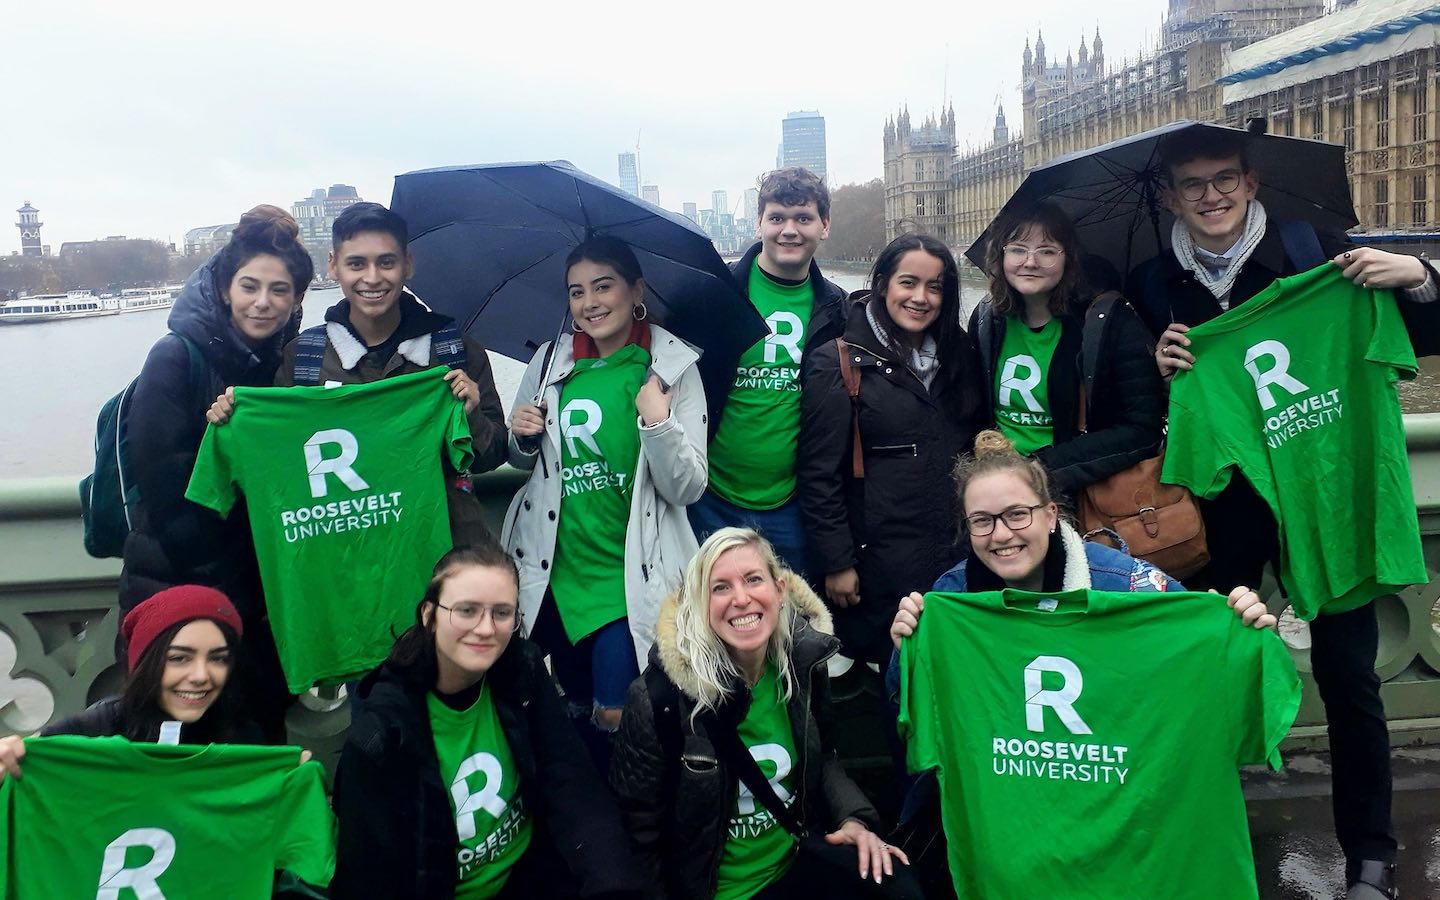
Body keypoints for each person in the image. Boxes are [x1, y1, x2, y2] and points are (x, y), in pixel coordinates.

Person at [1130, 127, 1439, 900]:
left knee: (1349, 679)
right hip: (1223, 508)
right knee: (1207, 677)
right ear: (1169, 194)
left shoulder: (1322, 253)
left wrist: (1422, 274)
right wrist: (1155, 366)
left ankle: (1370, 857)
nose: (1212, 196)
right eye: (1193, 184)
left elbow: (1419, 339)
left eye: (1225, 178)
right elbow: (1127, 405)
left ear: (1252, 179)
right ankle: (1205, 841)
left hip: (1328, 494)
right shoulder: (1148, 283)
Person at [884, 431, 1277, 898]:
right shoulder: (949, 602)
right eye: (982, 521)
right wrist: (904, 646)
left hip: (1124, 817)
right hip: (1014, 830)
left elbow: (1201, 650)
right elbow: (911, 710)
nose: (1002, 534)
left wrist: (1235, 627)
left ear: (1051, 515)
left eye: (1017, 514)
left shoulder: (1121, 581)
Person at [610, 527, 922, 900]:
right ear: (699, 605)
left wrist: (853, 818)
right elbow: (638, 831)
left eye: (753, 579)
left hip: (796, 863)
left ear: (779, 591)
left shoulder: (802, 663)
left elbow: (823, 759)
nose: (741, 599)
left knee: (898, 883)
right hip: (716, 890)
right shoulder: (658, 697)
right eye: (720, 587)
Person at [331, 544, 641, 900]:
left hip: (532, 875)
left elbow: (572, 783)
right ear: (428, 615)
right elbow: (368, 878)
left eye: (502, 613)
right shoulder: (380, 736)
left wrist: (614, 887)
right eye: (466, 611)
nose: (485, 629)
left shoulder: (521, 671)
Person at [504, 237, 707, 759]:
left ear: (635, 289)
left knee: (618, 713)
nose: (589, 302)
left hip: (626, 575)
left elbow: (688, 487)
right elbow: (525, 459)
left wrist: (658, 423)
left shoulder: (671, 367)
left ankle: (620, 823)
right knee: (562, 702)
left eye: (603, 286)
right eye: (576, 292)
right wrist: (522, 434)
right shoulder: (550, 362)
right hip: (554, 570)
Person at [118, 205, 311, 742]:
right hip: (177, 589)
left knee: (252, 744)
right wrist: (233, 590)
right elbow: (166, 493)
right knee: (174, 749)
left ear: (297, 299)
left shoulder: (285, 368)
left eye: (280, 290)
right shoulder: (175, 358)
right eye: (250, 286)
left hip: (257, 599)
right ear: (225, 287)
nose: (263, 303)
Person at [209, 201, 509, 546]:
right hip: (345, 557)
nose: (372, 278)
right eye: (356, 263)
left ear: (407, 264)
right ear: (334, 266)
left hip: (446, 556)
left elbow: (494, 455)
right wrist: (236, 420)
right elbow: (278, 466)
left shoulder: (455, 350)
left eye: (386, 262)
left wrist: (472, 417)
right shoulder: (304, 358)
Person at [798, 233, 984, 666]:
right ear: (882, 283)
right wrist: (837, 562)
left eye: (934, 287)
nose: (921, 298)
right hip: (878, 563)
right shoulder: (839, 361)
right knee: (891, 683)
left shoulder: (961, 355)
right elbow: (818, 473)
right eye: (908, 283)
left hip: (953, 555)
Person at [688, 167, 848, 573]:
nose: (789, 230)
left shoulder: (841, 311)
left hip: (794, 505)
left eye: (803, 218)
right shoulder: (715, 295)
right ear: (759, 223)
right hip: (709, 497)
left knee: (790, 628)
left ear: (824, 226)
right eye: (777, 217)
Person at [971, 202, 1164, 500]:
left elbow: (1141, 429)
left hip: (1070, 490)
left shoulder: (1109, 323)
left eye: (1047, 250)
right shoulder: (987, 319)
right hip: (997, 486)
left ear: (1068, 259)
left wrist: (1042, 470)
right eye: (1018, 249)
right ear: (1001, 255)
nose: (1030, 262)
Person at [0, 586, 260, 769]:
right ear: (146, 663)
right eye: (179, 658)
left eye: (218, 658)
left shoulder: (243, 737)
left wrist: (295, 784)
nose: (201, 676)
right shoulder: (96, 728)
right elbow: (28, 760)